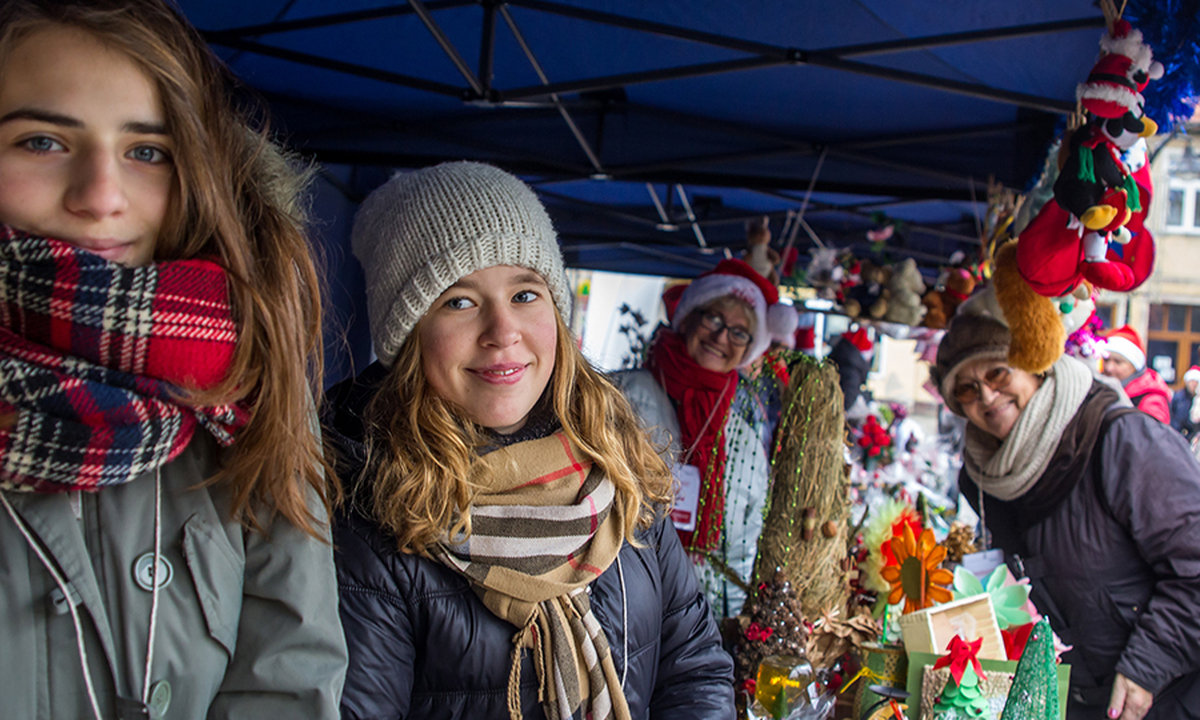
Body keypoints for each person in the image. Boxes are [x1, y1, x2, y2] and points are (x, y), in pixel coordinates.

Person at [0, 2, 349, 718]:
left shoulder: (249, 378)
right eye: (42, 141)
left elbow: (290, 674)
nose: (101, 196)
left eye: (146, 152)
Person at [331, 161, 734, 720]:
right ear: (409, 335)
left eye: (524, 294)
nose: (503, 332)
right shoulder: (367, 516)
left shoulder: (619, 466)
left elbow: (694, 668)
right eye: (459, 301)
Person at [932, 314, 1200, 720]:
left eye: (998, 373)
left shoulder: (1122, 440)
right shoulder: (987, 476)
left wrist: (1146, 667)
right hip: (1078, 696)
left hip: (1169, 694)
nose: (986, 395)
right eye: (967, 389)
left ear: (1034, 365)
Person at [613, 258, 791, 618]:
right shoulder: (620, 396)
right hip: (618, 600)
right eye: (714, 318)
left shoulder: (743, 437)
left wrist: (726, 624)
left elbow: (743, 545)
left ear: (749, 348)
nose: (722, 337)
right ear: (689, 317)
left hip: (700, 617)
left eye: (739, 332)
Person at [1100, 325, 1171, 424]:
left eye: (1118, 362)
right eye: (1106, 360)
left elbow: (1150, 432)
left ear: (1135, 366)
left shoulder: (1151, 400)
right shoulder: (1101, 388)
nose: (1109, 368)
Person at [1170, 366, 1200, 439]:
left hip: (1193, 436)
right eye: (1192, 381)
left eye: (1196, 382)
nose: (1194, 384)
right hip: (1176, 434)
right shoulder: (1178, 397)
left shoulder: (1197, 400)